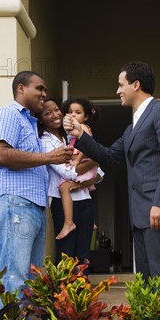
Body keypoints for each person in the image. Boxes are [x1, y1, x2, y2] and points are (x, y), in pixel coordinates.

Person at [64, 61, 160, 281]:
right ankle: (150, 318)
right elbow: (108, 156)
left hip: (158, 211)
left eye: (121, 85)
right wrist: (80, 135)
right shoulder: (131, 130)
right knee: (147, 281)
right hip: (139, 216)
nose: (118, 90)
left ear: (136, 84)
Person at [0, 71, 74, 298]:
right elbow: (0, 155)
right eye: (40, 88)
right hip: (14, 203)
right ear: (21, 89)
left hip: (31, 206)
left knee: (30, 281)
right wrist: (48, 158)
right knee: (14, 277)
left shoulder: (31, 124)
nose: (44, 94)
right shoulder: (9, 115)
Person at [38, 98, 99, 265]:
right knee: (66, 252)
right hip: (62, 202)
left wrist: (93, 166)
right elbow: (69, 172)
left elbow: (99, 174)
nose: (55, 115)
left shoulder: (72, 133)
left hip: (85, 200)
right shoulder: (45, 142)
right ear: (41, 119)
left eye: (56, 109)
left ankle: (81, 290)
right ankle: (64, 291)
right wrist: (95, 161)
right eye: (47, 113)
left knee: (83, 253)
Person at [56, 98, 103, 240]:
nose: (73, 115)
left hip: (86, 164)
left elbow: (88, 144)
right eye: (70, 112)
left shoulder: (83, 127)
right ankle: (92, 222)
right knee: (84, 189)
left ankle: (68, 223)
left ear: (86, 116)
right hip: (86, 166)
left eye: (77, 112)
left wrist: (76, 159)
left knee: (64, 188)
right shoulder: (73, 130)